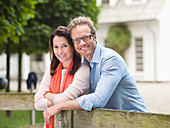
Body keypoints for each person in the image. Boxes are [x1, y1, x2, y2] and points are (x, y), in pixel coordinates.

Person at [43, 16, 147, 124]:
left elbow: (99, 99)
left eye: (86, 37)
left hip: (135, 122)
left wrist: (59, 105)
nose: (82, 43)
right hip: (114, 121)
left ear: (95, 36)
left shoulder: (110, 60)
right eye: (77, 40)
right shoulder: (85, 65)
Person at [34, 26, 90, 127]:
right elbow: (37, 103)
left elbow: (63, 100)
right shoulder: (51, 71)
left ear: (72, 46)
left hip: (75, 124)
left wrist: (47, 94)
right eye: (56, 47)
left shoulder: (83, 70)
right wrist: (63, 102)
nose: (60, 51)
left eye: (64, 46)